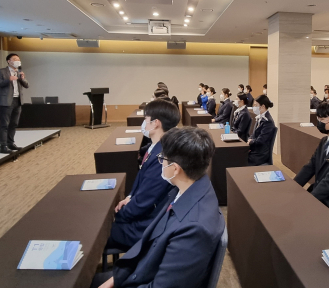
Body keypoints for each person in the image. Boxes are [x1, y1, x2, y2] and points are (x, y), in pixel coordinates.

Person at [93, 127, 224, 288]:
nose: (161, 162)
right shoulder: (190, 186)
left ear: (176, 169)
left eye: (163, 159)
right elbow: (150, 245)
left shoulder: (194, 228)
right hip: (141, 270)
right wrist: (115, 280)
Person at [107, 100, 181, 250]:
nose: (143, 123)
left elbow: (145, 201)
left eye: (145, 119)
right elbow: (142, 179)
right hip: (145, 213)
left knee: (99, 232)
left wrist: (119, 216)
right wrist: (130, 197)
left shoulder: (162, 158)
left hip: (146, 227)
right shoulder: (156, 147)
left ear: (155, 124)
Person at [0, 53, 29, 154]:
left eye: (18, 59)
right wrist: (8, 80)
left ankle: (10, 143)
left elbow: (27, 85)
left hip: (17, 100)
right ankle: (3, 146)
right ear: (9, 61)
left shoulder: (19, 72)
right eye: (15, 59)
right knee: (4, 124)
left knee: (14, 124)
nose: (17, 61)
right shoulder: (1, 71)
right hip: (6, 101)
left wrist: (22, 78)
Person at [248, 95, 276, 166]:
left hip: (260, 154)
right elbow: (253, 134)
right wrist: (250, 139)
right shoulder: (260, 117)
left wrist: (250, 141)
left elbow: (261, 140)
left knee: (238, 160)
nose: (254, 107)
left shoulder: (268, 121)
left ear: (262, 106)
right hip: (255, 149)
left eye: (256, 105)